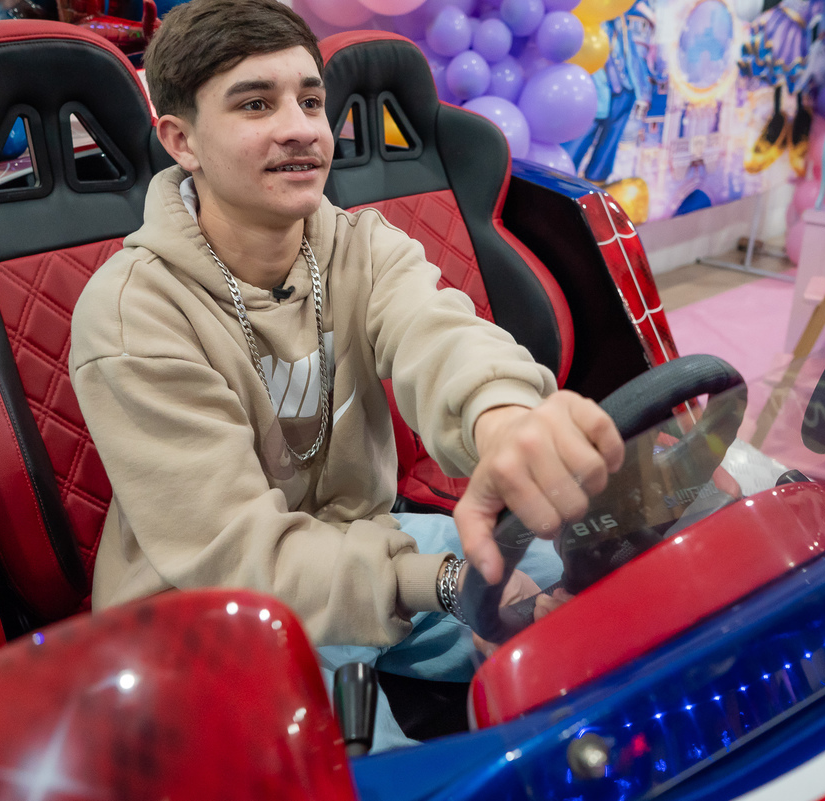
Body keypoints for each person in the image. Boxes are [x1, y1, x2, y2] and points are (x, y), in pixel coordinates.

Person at [68, 0, 623, 750]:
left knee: (589, 579)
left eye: (310, 100)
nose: (299, 128)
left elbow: (441, 334)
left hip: (358, 542)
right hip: (211, 616)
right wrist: (444, 582)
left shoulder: (360, 243)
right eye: (256, 104)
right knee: (384, 777)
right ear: (181, 141)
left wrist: (504, 419)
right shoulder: (131, 313)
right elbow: (241, 558)